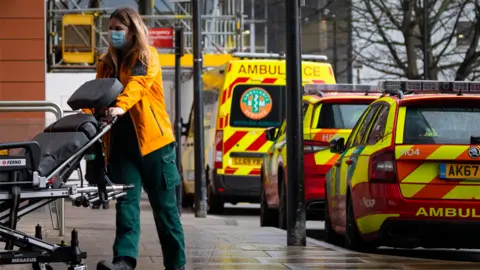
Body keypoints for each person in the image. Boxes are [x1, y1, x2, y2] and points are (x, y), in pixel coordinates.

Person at [92, 7, 186, 270]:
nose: (113, 34)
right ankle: (124, 261)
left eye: (119, 29)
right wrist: (85, 114)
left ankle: (176, 265)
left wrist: (120, 106)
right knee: (126, 207)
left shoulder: (147, 56)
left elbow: (138, 84)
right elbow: (96, 95)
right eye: (110, 29)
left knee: (166, 212)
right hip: (121, 148)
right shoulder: (105, 62)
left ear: (133, 31)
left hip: (154, 146)